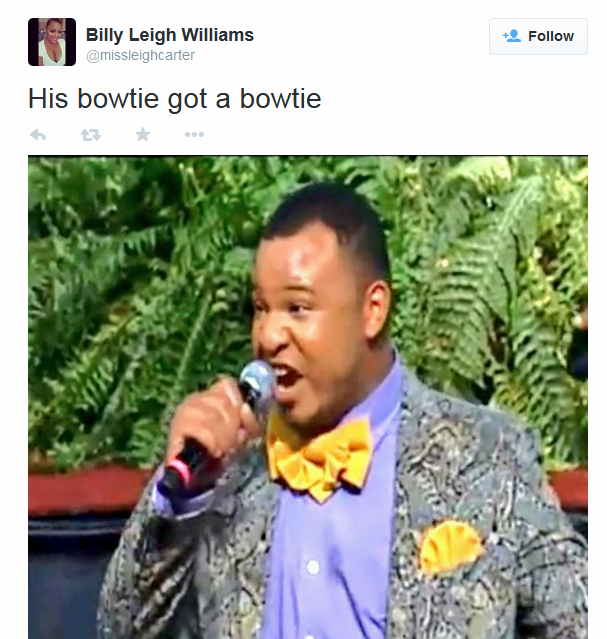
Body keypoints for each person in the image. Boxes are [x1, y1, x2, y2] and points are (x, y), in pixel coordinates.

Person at [97, 183, 588, 639]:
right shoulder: (221, 466)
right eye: (260, 308)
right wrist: (180, 500)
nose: (268, 336)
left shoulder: (488, 457)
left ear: (372, 310)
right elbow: (119, 629)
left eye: (297, 308)